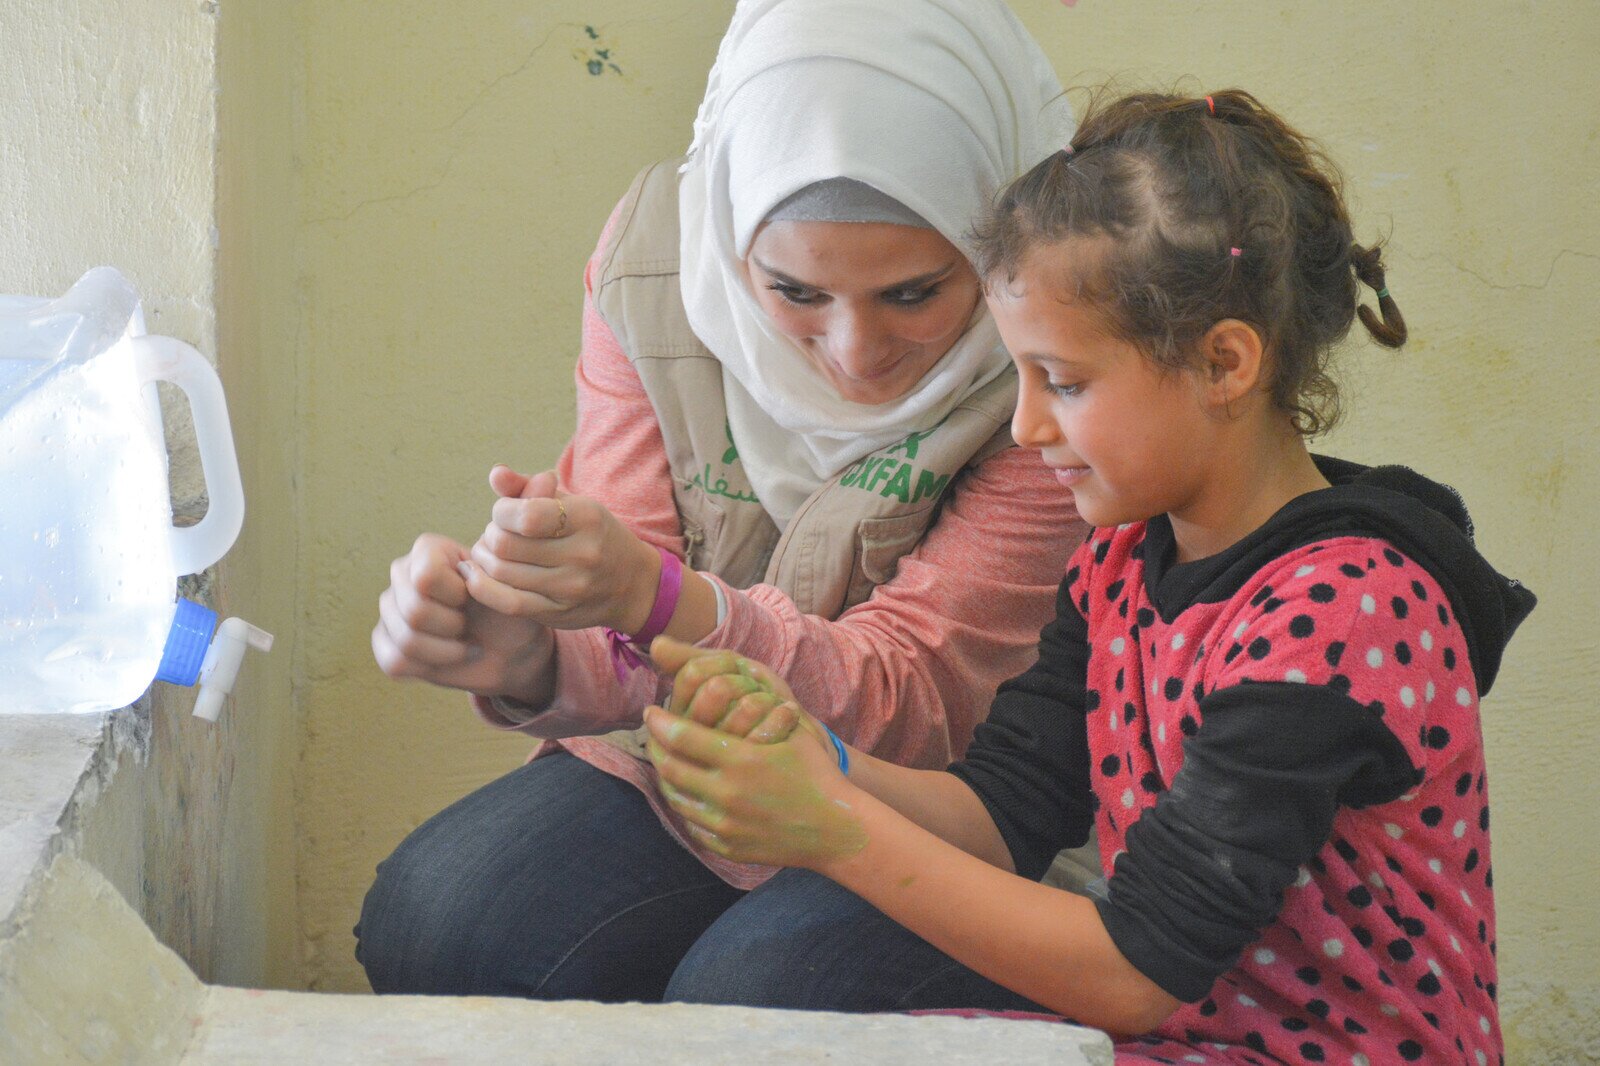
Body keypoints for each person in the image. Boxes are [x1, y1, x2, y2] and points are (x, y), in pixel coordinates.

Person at [644, 89, 1535, 1063]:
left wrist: (832, 826)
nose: (1027, 426)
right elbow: (1003, 812)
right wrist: (825, 759)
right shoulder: (1117, 561)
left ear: (1224, 363)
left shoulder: (1344, 613)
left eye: (1062, 382)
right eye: (1020, 377)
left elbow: (1137, 973)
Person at [356, 0, 1092, 1003]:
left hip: (939, 800)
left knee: (751, 992)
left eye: (915, 293)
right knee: (442, 923)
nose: (855, 353)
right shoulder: (659, 265)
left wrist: (661, 603)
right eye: (794, 293)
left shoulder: (1058, 326)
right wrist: (532, 654)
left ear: (995, 240)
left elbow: (915, 702)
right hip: (681, 756)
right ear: (728, 238)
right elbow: (621, 612)